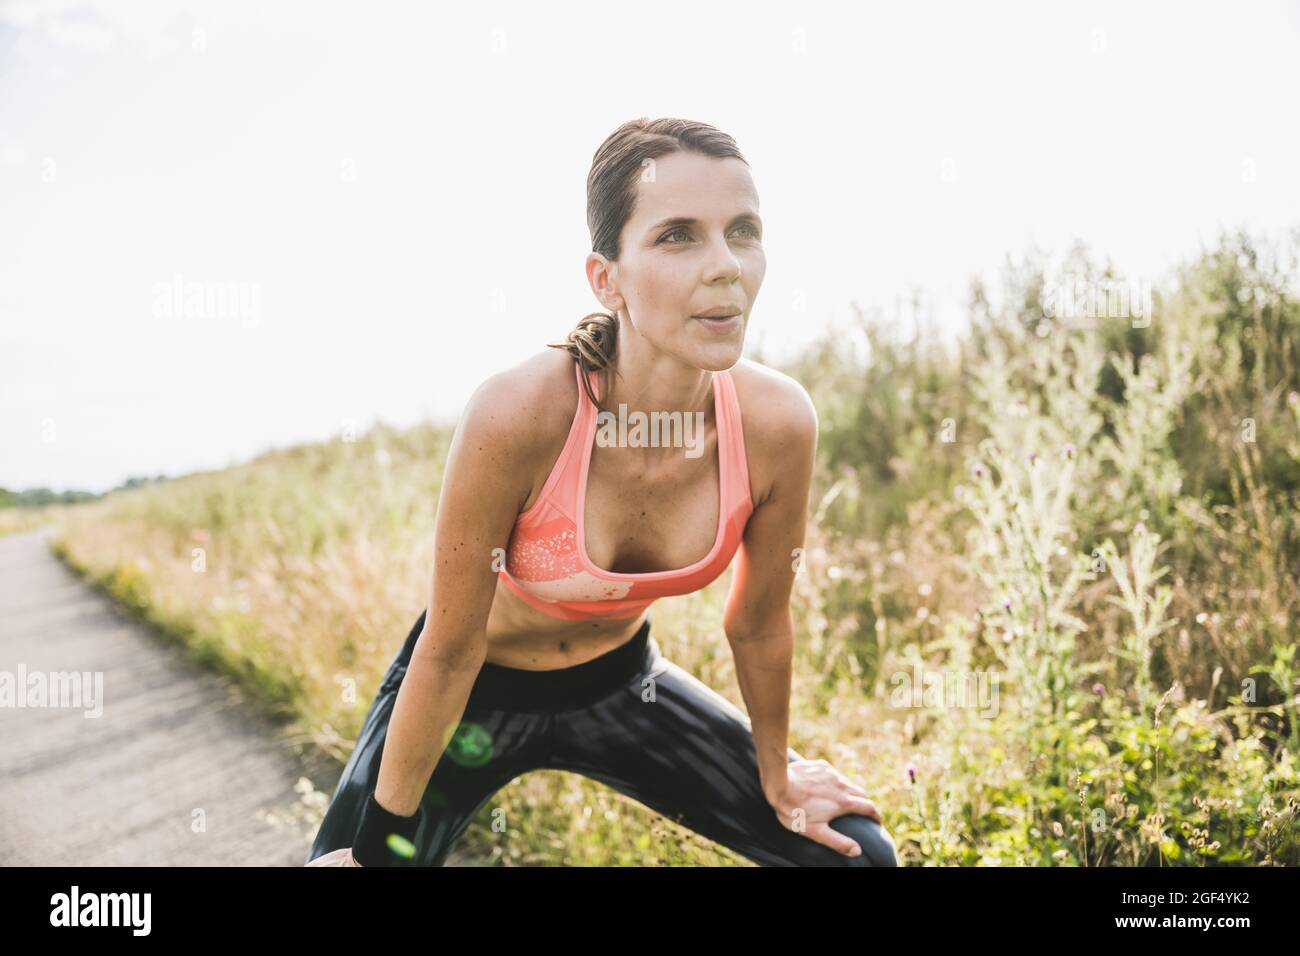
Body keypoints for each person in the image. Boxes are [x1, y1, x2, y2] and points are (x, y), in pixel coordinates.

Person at [305, 117, 900, 868]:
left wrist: (779, 775)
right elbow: (450, 651)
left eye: (743, 231)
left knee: (859, 858)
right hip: (469, 694)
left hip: (627, 689)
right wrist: (380, 855)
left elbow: (758, 623)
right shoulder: (519, 415)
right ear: (606, 278)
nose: (726, 267)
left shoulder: (778, 423)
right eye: (678, 235)